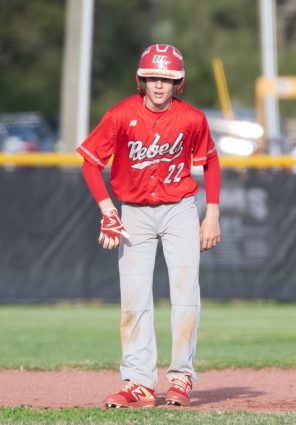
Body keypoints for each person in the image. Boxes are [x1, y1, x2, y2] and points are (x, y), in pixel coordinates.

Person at [76, 43, 221, 409]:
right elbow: (91, 163)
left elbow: (211, 163)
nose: (159, 85)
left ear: (179, 83)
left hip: (180, 209)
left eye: (167, 78)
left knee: (185, 291)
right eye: (153, 77)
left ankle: (181, 377)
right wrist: (108, 210)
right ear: (141, 80)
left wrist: (213, 213)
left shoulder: (192, 118)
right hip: (135, 212)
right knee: (134, 297)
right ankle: (139, 383)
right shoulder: (121, 115)